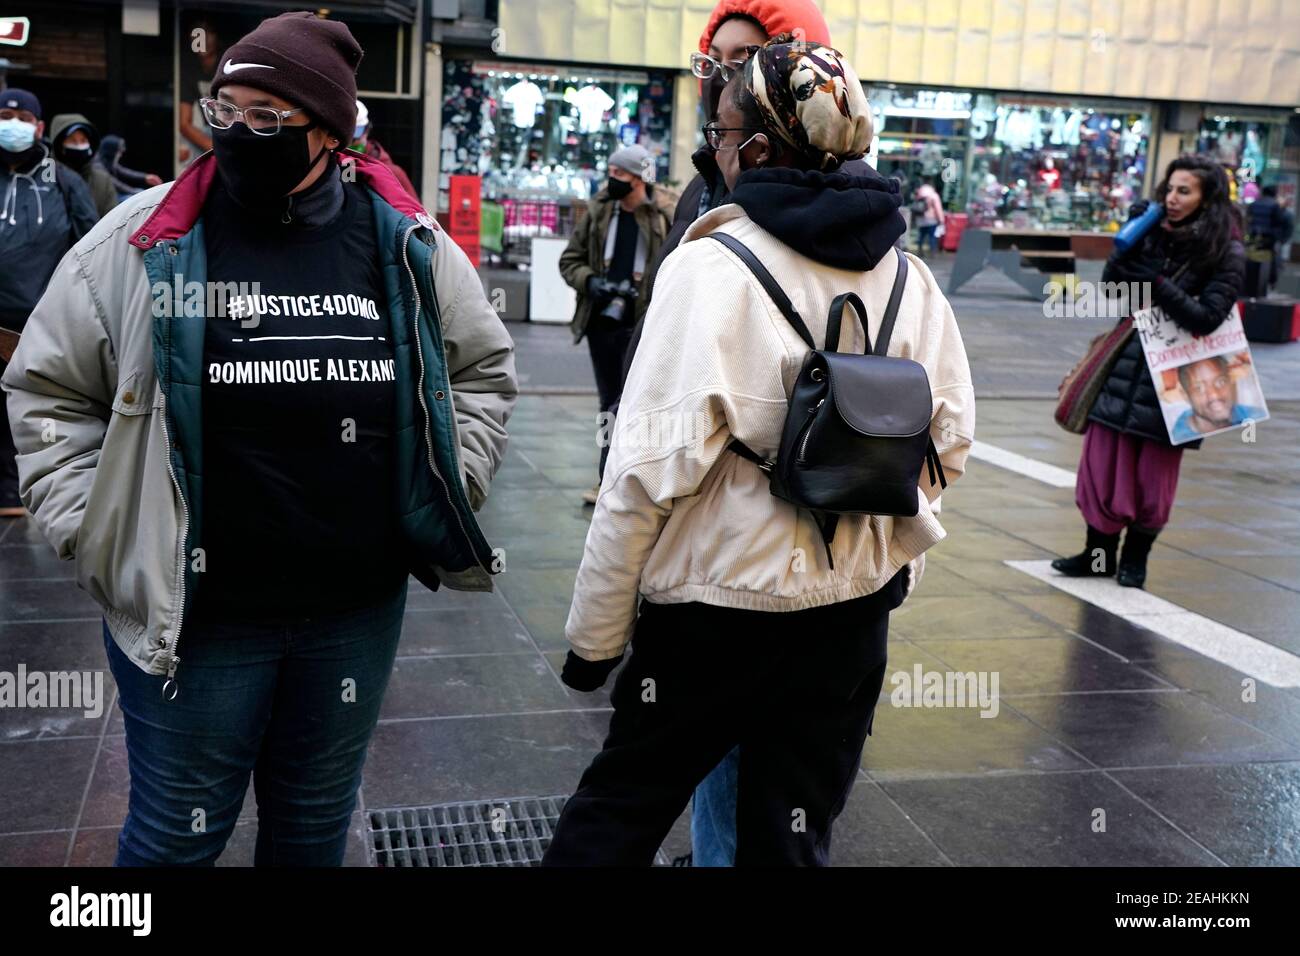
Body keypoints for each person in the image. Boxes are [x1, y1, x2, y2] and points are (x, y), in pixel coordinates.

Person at [2, 12, 517, 866]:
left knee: (313, 832)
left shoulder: (402, 243)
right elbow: (49, 389)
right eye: (224, 110)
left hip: (351, 614)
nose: (239, 133)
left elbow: (480, 374)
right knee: (172, 839)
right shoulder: (140, 239)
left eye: (268, 118)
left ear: (330, 132)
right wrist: (96, 526)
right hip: (198, 621)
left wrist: (443, 485)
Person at [541, 36, 974, 867]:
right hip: (850, 619)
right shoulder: (911, 277)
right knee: (791, 838)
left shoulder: (711, 268)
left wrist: (593, 645)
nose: (713, 152)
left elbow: (641, 477)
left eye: (722, 133)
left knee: (618, 813)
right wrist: (889, 569)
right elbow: (947, 447)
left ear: (762, 149)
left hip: (715, 617)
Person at [1052, 155, 1245, 589]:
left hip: (1176, 378)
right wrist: (1129, 243)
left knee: (1150, 479)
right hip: (1125, 363)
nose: (1172, 199)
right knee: (1101, 467)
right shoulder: (1155, 232)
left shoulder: (1224, 249)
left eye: (1184, 191)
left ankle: (1135, 561)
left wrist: (1156, 281)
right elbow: (1114, 290)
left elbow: (1207, 317)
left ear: (1207, 198)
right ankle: (1097, 557)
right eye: (1169, 189)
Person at [0, 88, 98, 519]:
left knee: (36, 408)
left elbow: (94, 246)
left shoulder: (63, 180)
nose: (13, 123)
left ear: (39, 127)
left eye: (22, 117)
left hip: (39, 321)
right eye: (5, 114)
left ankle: (33, 492)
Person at [559, 143, 673, 505]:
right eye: (610, 174)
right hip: (603, 324)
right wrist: (592, 282)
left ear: (639, 179)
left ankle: (639, 481)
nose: (611, 181)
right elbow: (570, 260)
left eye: (619, 175)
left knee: (641, 404)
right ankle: (605, 480)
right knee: (609, 402)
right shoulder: (599, 211)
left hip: (646, 324)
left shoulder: (663, 214)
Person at [1169, 356, 1265, 443]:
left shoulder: (1256, 415)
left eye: (1221, 382)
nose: (1214, 395)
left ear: (1231, 382)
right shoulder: (1179, 439)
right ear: (1186, 396)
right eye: (1199, 388)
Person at [50, 113, 118, 218]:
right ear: (59, 146)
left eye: (83, 140)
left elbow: (113, 222)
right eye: (72, 140)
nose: (79, 146)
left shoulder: (102, 181)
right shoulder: (45, 179)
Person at [349, 98, 418, 200]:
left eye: (354, 138)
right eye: (344, 138)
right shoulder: (332, 164)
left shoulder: (391, 172)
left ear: (367, 131)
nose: (348, 144)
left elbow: (413, 212)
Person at [96, 135, 163, 200]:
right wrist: (134, 191)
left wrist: (145, 177)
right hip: (103, 198)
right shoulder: (97, 164)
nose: (122, 152)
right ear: (111, 150)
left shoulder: (107, 161)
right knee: (134, 198)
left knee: (139, 192)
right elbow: (113, 182)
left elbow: (124, 171)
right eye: (119, 150)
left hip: (111, 194)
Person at [1248, 184, 1289, 289]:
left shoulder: (1254, 204)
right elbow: (1279, 222)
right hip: (1268, 238)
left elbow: (1249, 220)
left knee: (1252, 258)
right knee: (1270, 260)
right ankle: (1270, 281)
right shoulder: (1275, 206)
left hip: (1254, 236)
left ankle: (1251, 282)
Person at [913, 176, 944, 256]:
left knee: (921, 236)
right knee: (931, 236)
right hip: (931, 219)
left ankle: (920, 251)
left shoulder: (919, 193)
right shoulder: (933, 195)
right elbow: (937, 208)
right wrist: (941, 219)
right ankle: (932, 252)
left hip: (921, 218)